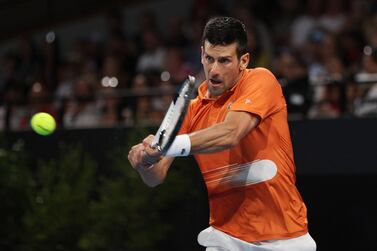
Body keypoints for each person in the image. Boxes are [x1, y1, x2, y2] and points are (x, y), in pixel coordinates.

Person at [128, 16, 316, 251]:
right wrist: (144, 162)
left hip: (283, 239)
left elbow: (231, 133)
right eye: (209, 58)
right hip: (225, 238)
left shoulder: (261, 80)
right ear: (201, 55)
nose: (214, 70)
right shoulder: (192, 109)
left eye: (225, 61)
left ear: (243, 60)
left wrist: (166, 144)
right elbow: (156, 177)